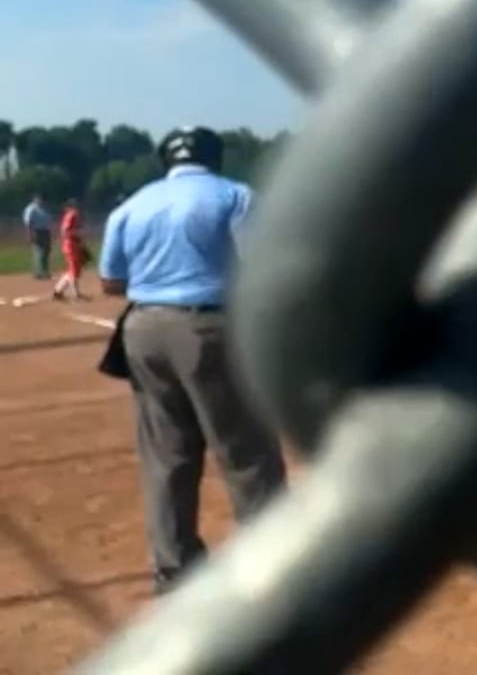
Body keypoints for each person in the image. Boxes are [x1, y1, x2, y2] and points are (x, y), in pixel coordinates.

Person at [96, 126, 288, 594]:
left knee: (166, 455)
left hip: (143, 330)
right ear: (214, 158)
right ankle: (273, 563)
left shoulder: (134, 204)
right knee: (245, 449)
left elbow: (110, 281)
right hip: (210, 326)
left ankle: (174, 567)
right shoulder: (235, 196)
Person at [51, 198, 92, 301]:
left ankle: (58, 290)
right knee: (74, 270)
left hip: (72, 244)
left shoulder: (72, 215)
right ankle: (75, 294)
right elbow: (66, 231)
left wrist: (80, 243)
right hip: (71, 245)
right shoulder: (72, 215)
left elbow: (70, 231)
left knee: (72, 270)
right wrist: (78, 240)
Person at [20, 194, 53, 280]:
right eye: (39, 199)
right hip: (36, 231)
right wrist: (29, 234)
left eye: (41, 199)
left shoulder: (44, 208)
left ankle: (45, 271)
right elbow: (28, 222)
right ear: (34, 199)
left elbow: (48, 220)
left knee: (46, 252)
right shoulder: (31, 209)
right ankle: (38, 272)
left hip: (46, 231)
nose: (41, 200)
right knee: (39, 252)